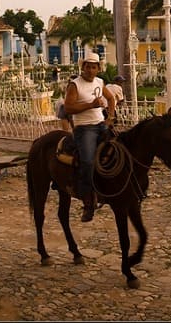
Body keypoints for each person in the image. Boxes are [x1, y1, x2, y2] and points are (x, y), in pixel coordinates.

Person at [63, 52, 116, 222]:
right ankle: (87, 201)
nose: (90, 70)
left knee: (120, 150)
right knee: (87, 161)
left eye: (94, 67)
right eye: (87, 66)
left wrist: (110, 117)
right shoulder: (75, 85)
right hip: (84, 128)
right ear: (82, 67)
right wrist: (90, 105)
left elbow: (111, 98)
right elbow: (68, 108)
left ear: (98, 69)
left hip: (101, 124)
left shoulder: (100, 82)